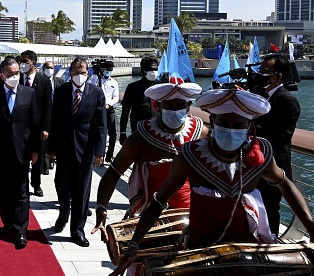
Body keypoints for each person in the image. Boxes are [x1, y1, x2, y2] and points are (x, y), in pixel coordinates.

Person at [112, 88, 314, 274]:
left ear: (250, 127)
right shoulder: (190, 156)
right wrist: (135, 243)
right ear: (213, 120)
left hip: (248, 251)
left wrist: (311, 226)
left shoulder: (261, 154)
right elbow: (159, 201)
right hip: (199, 251)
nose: (230, 129)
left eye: (238, 126)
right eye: (223, 124)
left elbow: (285, 185)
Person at [92, 82, 205, 233]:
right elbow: (113, 173)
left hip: (190, 213)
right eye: (169, 107)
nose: (175, 111)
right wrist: (101, 207)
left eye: (180, 106)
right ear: (156, 107)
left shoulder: (200, 133)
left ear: (188, 107)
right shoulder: (141, 137)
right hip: (149, 214)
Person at [49, 57, 107, 247]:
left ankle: (77, 229)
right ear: (70, 73)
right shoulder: (62, 91)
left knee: (82, 191)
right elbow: (54, 121)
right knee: (62, 186)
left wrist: (100, 151)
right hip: (64, 149)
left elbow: (101, 124)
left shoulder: (96, 93)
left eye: (83, 72)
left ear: (88, 73)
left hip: (86, 150)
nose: (79, 75)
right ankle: (63, 214)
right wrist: (50, 149)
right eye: (76, 72)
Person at [0, 57, 38, 249]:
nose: (14, 76)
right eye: (10, 74)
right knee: (5, 189)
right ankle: (7, 222)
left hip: (23, 150)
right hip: (1, 150)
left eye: (17, 73)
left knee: (22, 190)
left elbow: (34, 123)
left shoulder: (29, 93)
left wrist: (35, 150)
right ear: (2, 75)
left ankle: (21, 229)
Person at [252, 53, 301, 237]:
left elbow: (281, 137)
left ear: (278, 76)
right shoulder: (258, 95)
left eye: (265, 71)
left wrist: (253, 127)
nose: (260, 75)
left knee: (269, 209)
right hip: (253, 164)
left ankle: (270, 246)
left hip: (274, 165)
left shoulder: (288, 101)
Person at [19, 50, 52, 196]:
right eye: (21, 61)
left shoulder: (44, 81)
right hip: (21, 127)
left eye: (25, 62)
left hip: (38, 128)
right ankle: (22, 184)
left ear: (33, 62)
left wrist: (45, 128)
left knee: (37, 157)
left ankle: (36, 184)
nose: (23, 65)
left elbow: (47, 107)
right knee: (22, 157)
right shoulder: (17, 79)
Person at [119, 56, 159, 143]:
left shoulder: (161, 87)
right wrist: (122, 132)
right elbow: (125, 111)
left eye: (156, 69)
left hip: (158, 131)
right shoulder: (133, 87)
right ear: (143, 71)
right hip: (139, 130)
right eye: (151, 69)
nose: (154, 72)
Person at [89, 65, 120, 163]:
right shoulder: (96, 80)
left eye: (110, 70)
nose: (109, 72)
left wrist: (109, 104)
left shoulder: (114, 82)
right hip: (97, 109)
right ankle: (97, 154)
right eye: (107, 70)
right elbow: (91, 88)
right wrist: (96, 75)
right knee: (98, 132)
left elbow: (116, 97)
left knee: (113, 133)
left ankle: (109, 156)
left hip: (109, 109)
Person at [42, 61, 64, 170]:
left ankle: (51, 159)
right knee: (45, 139)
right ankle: (45, 161)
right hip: (45, 114)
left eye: (51, 68)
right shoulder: (40, 81)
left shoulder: (60, 81)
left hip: (56, 114)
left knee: (54, 138)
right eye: (47, 67)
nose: (49, 69)